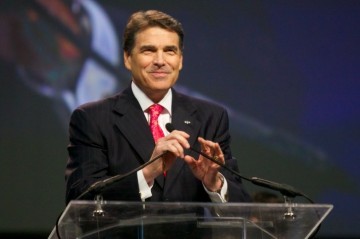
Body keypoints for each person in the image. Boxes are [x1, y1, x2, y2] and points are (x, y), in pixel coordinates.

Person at [65, 10, 250, 205]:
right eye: (149, 50)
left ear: (180, 60)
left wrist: (214, 184)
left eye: (170, 51)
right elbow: (80, 197)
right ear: (127, 58)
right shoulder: (93, 118)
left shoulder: (211, 117)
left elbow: (241, 203)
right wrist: (146, 174)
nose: (160, 61)